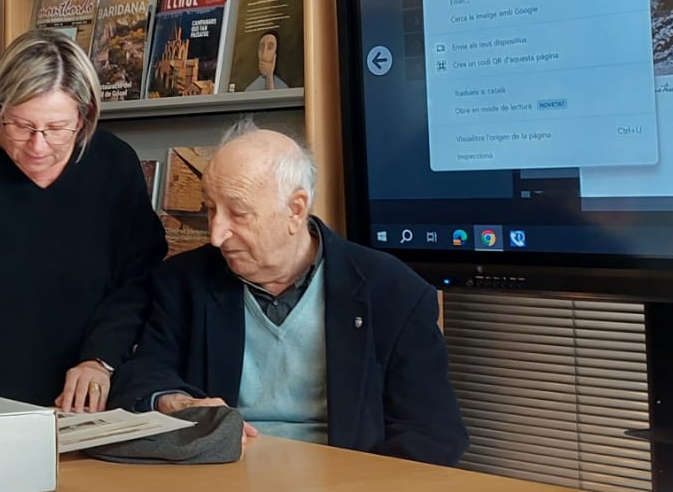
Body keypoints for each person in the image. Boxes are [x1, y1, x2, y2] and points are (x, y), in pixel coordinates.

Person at [111, 123, 469, 466]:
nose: (217, 234)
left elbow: (432, 433)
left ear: (295, 210)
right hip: (218, 483)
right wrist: (175, 402)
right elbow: (141, 377)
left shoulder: (392, 291)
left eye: (238, 213)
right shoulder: (184, 281)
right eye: (210, 209)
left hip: (346, 490)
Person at [0, 29, 166, 411]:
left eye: (57, 129)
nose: (38, 146)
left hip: (88, 395)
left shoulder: (115, 166)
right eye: (22, 126)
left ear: (84, 115)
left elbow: (138, 282)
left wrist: (101, 359)